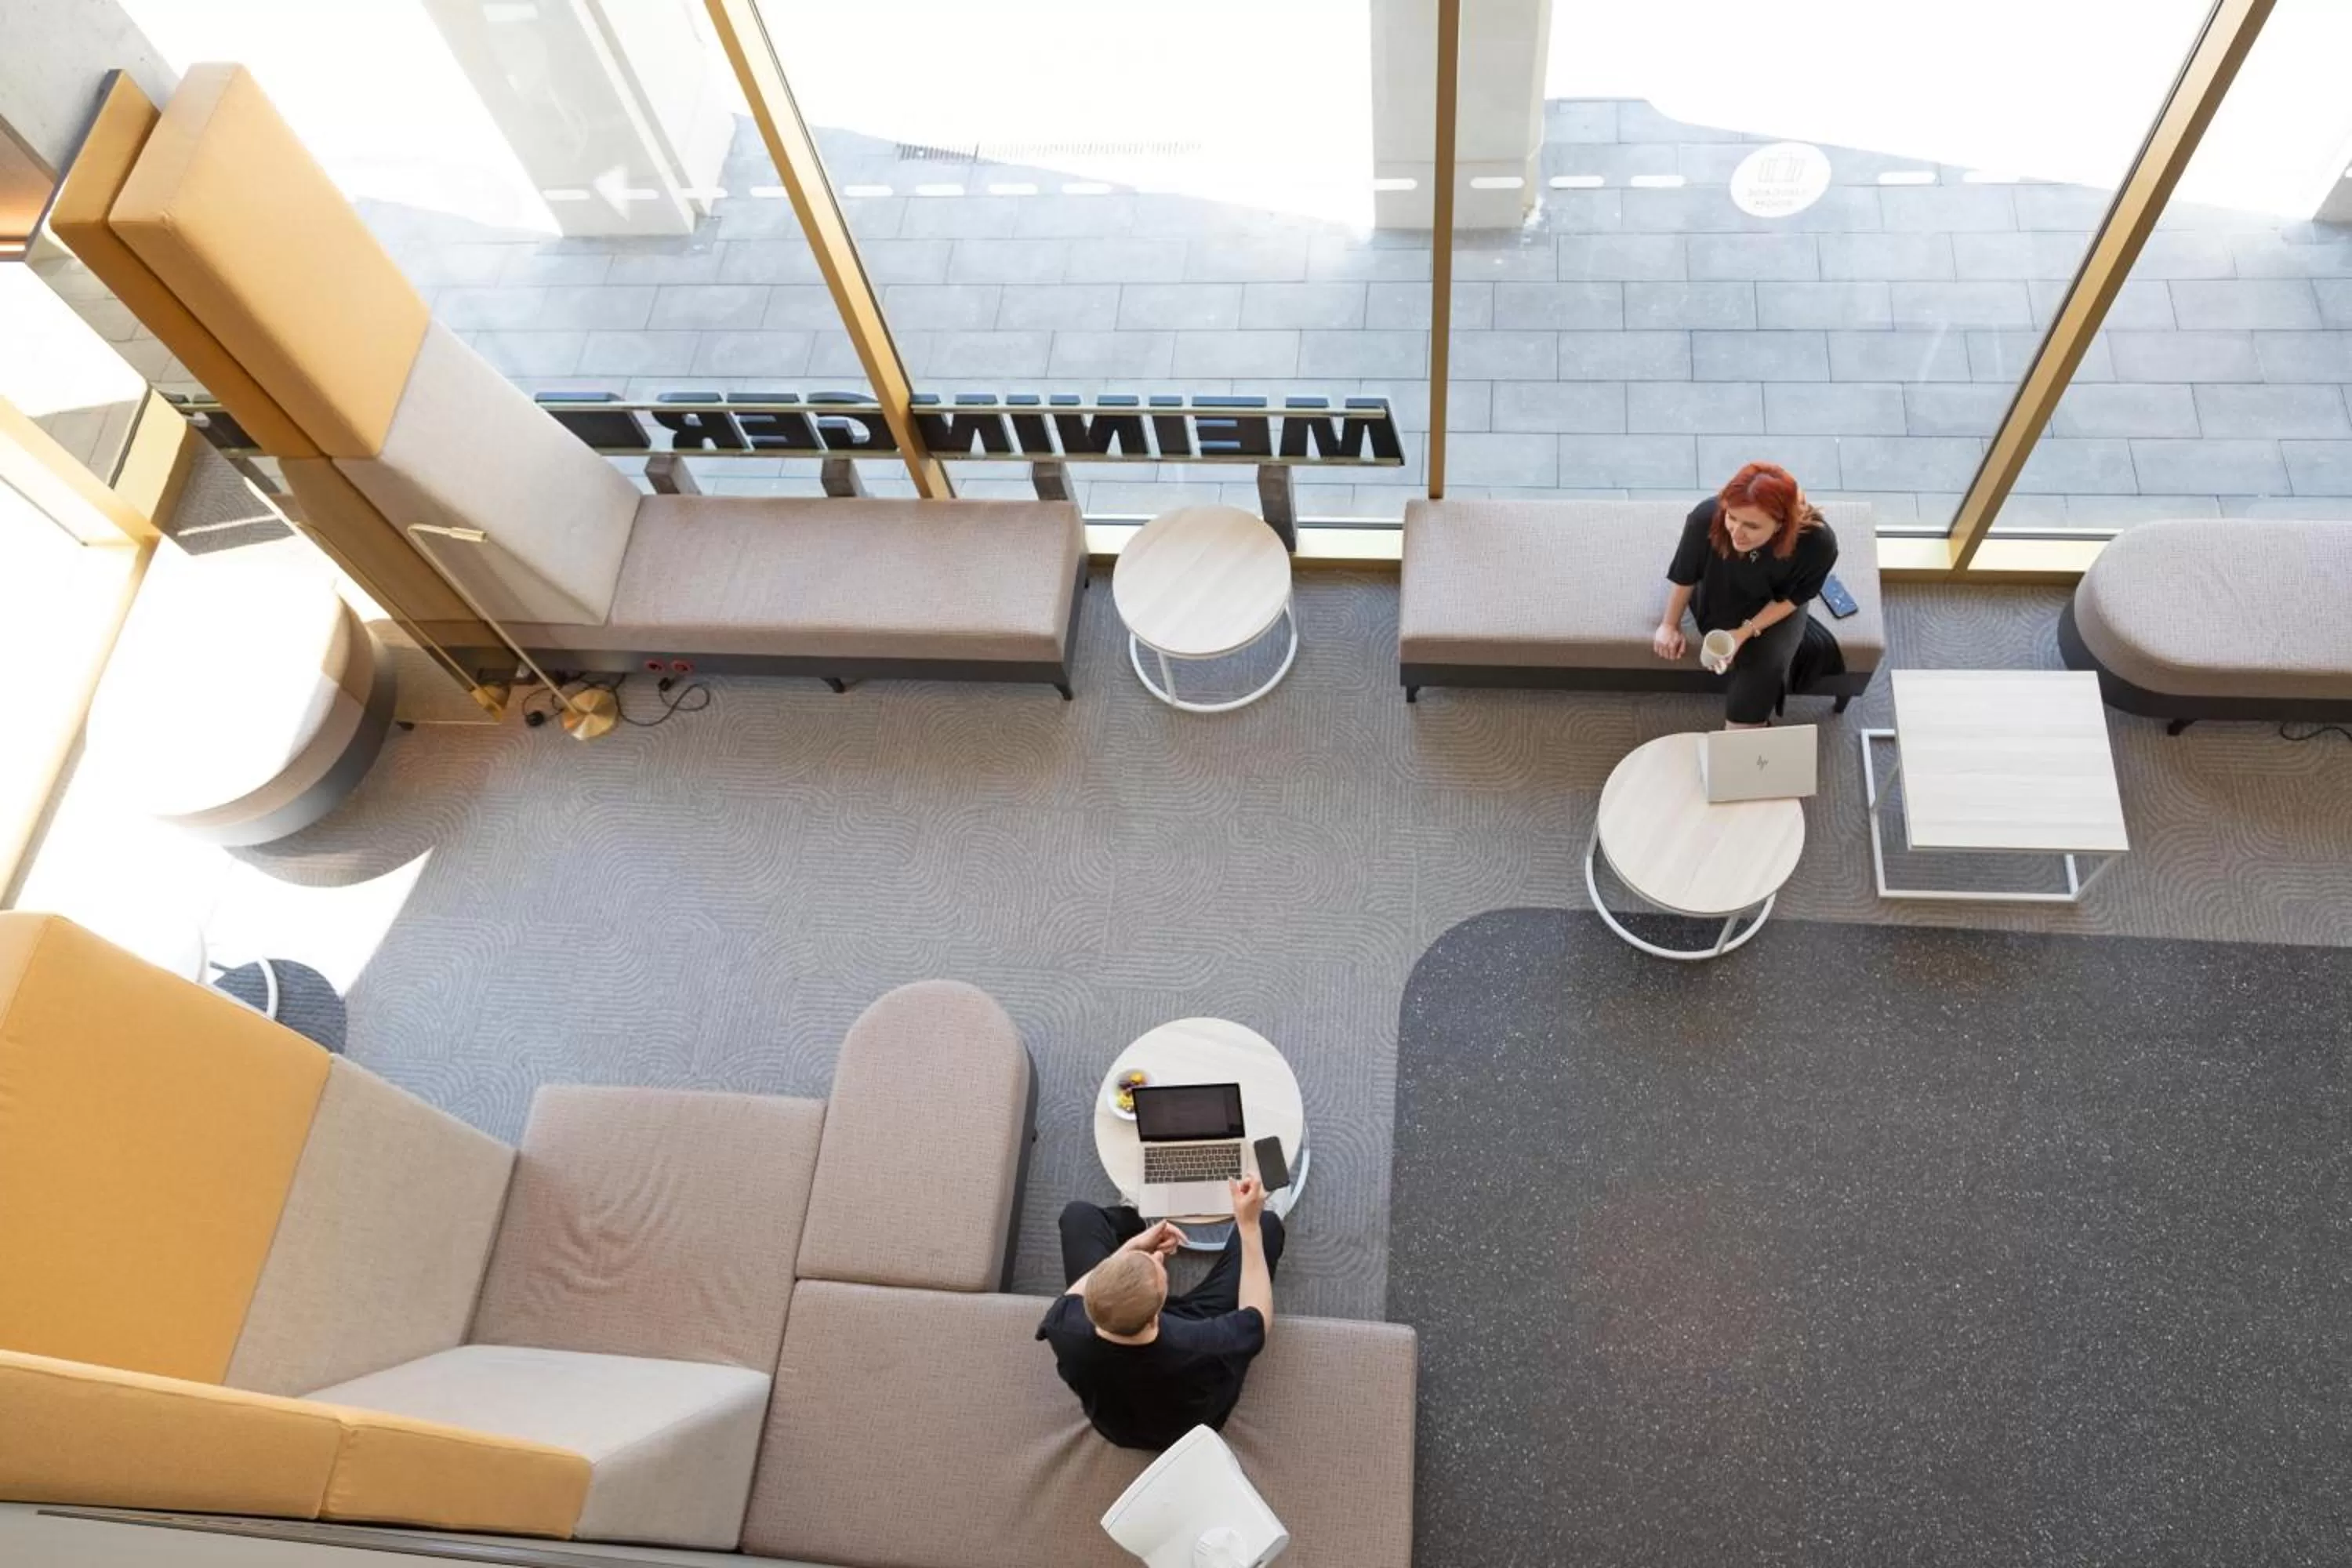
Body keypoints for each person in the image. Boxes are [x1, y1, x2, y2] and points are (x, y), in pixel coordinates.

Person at [1036, 1178, 1283, 1451]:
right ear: (1158, 1315)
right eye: (1159, 1269)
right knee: (1267, 1226)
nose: (1157, 1257)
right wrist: (1248, 1225)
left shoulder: (1063, 1325)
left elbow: (1077, 1290)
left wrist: (1133, 1247)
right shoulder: (1205, 1344)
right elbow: (1258, 1315)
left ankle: (1131, 1220)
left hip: (1119, 1431)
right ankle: (1257, 1220)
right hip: (1194, 1429)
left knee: (1078, 1215)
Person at [1651, 461, 1839, 728]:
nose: (1736, 533)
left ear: (1781, 524)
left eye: (1751, 526)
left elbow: (1795, 597)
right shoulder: (1705, 518)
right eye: (1732, 517)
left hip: (1777, 603)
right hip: (1719, 590)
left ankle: (1742, 732)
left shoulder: (1818, 544)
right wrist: (1669, 625)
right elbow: (1685, 574)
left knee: (1768, 664)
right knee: (1726, 641)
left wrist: (1743, 632)